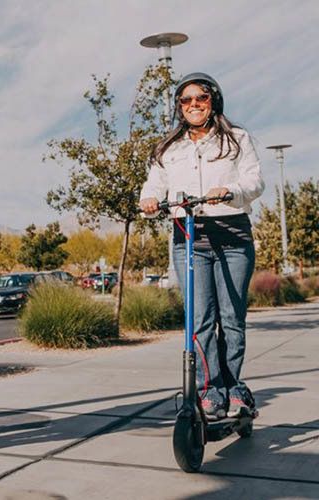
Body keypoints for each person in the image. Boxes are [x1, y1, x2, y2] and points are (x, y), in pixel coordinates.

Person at [139, 72, 264, 420]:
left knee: (231, 318)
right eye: (186, 100)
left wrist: (230, 191)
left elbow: (255, 180)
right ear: (179, 107)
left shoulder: (237, 139)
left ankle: (233, 387)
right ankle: (209, 391)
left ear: (213, 101)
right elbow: (153, 184)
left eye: (201, 98)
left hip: (232, 234)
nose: (194, 104)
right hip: (189, 235)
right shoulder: (168, 148)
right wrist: (148, 199)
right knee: (200, 321)